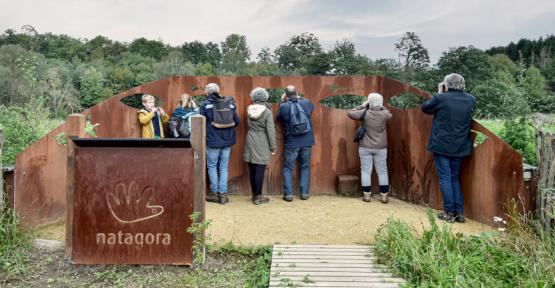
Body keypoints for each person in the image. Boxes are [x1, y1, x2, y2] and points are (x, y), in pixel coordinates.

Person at [421, 73, 476, 223]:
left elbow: (425, 108)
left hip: (442, 146)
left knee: (445, 178)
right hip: (460, 146)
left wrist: (440, 92)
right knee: (454, 178)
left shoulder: (441, 98)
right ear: (463, 84)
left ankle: (449, 213)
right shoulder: (471, 99)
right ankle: (459, 213)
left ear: (446, 84)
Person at [348, 93, 392, 203]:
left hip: (365, 146)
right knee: (382, 171)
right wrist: (380, 105)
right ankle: (384, 196)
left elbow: (350, 113)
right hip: (381, 147)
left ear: (369, 102)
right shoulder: (385, 114)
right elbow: (389, 113)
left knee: (366, 171)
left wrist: (363, 106)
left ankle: (367, 196)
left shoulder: (365, 113)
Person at [200, 83, 240, 204]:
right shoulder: (229, 103)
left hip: (212, 141)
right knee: (223, 167)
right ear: (218, 91)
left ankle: (214, 194)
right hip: (227, 140)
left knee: (212, 166)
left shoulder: (205, 104)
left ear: (207, 92)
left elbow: (200, 123)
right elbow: (236, 121)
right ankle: (222, 195)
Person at [276, 85, 315, 202]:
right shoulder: (306, 103)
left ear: (286, 94)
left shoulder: (283, 106)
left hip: (291, 142)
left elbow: (278, 118)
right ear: (297, 93)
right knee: (305, 166)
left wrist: (283, 101)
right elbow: (311, 110)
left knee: (288, 167)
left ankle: (288, 195)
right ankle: (304, 194)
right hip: (307, 140)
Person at [243, 87, 277, 205]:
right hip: (262, 141)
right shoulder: (267, 112)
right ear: (265, 97)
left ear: (253, 97)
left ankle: (254, 194)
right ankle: (258, 197)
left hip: (250, 139)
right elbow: (270, 130)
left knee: (252, 169)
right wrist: (273, 147)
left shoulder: (249, 109)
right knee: (259, 170)